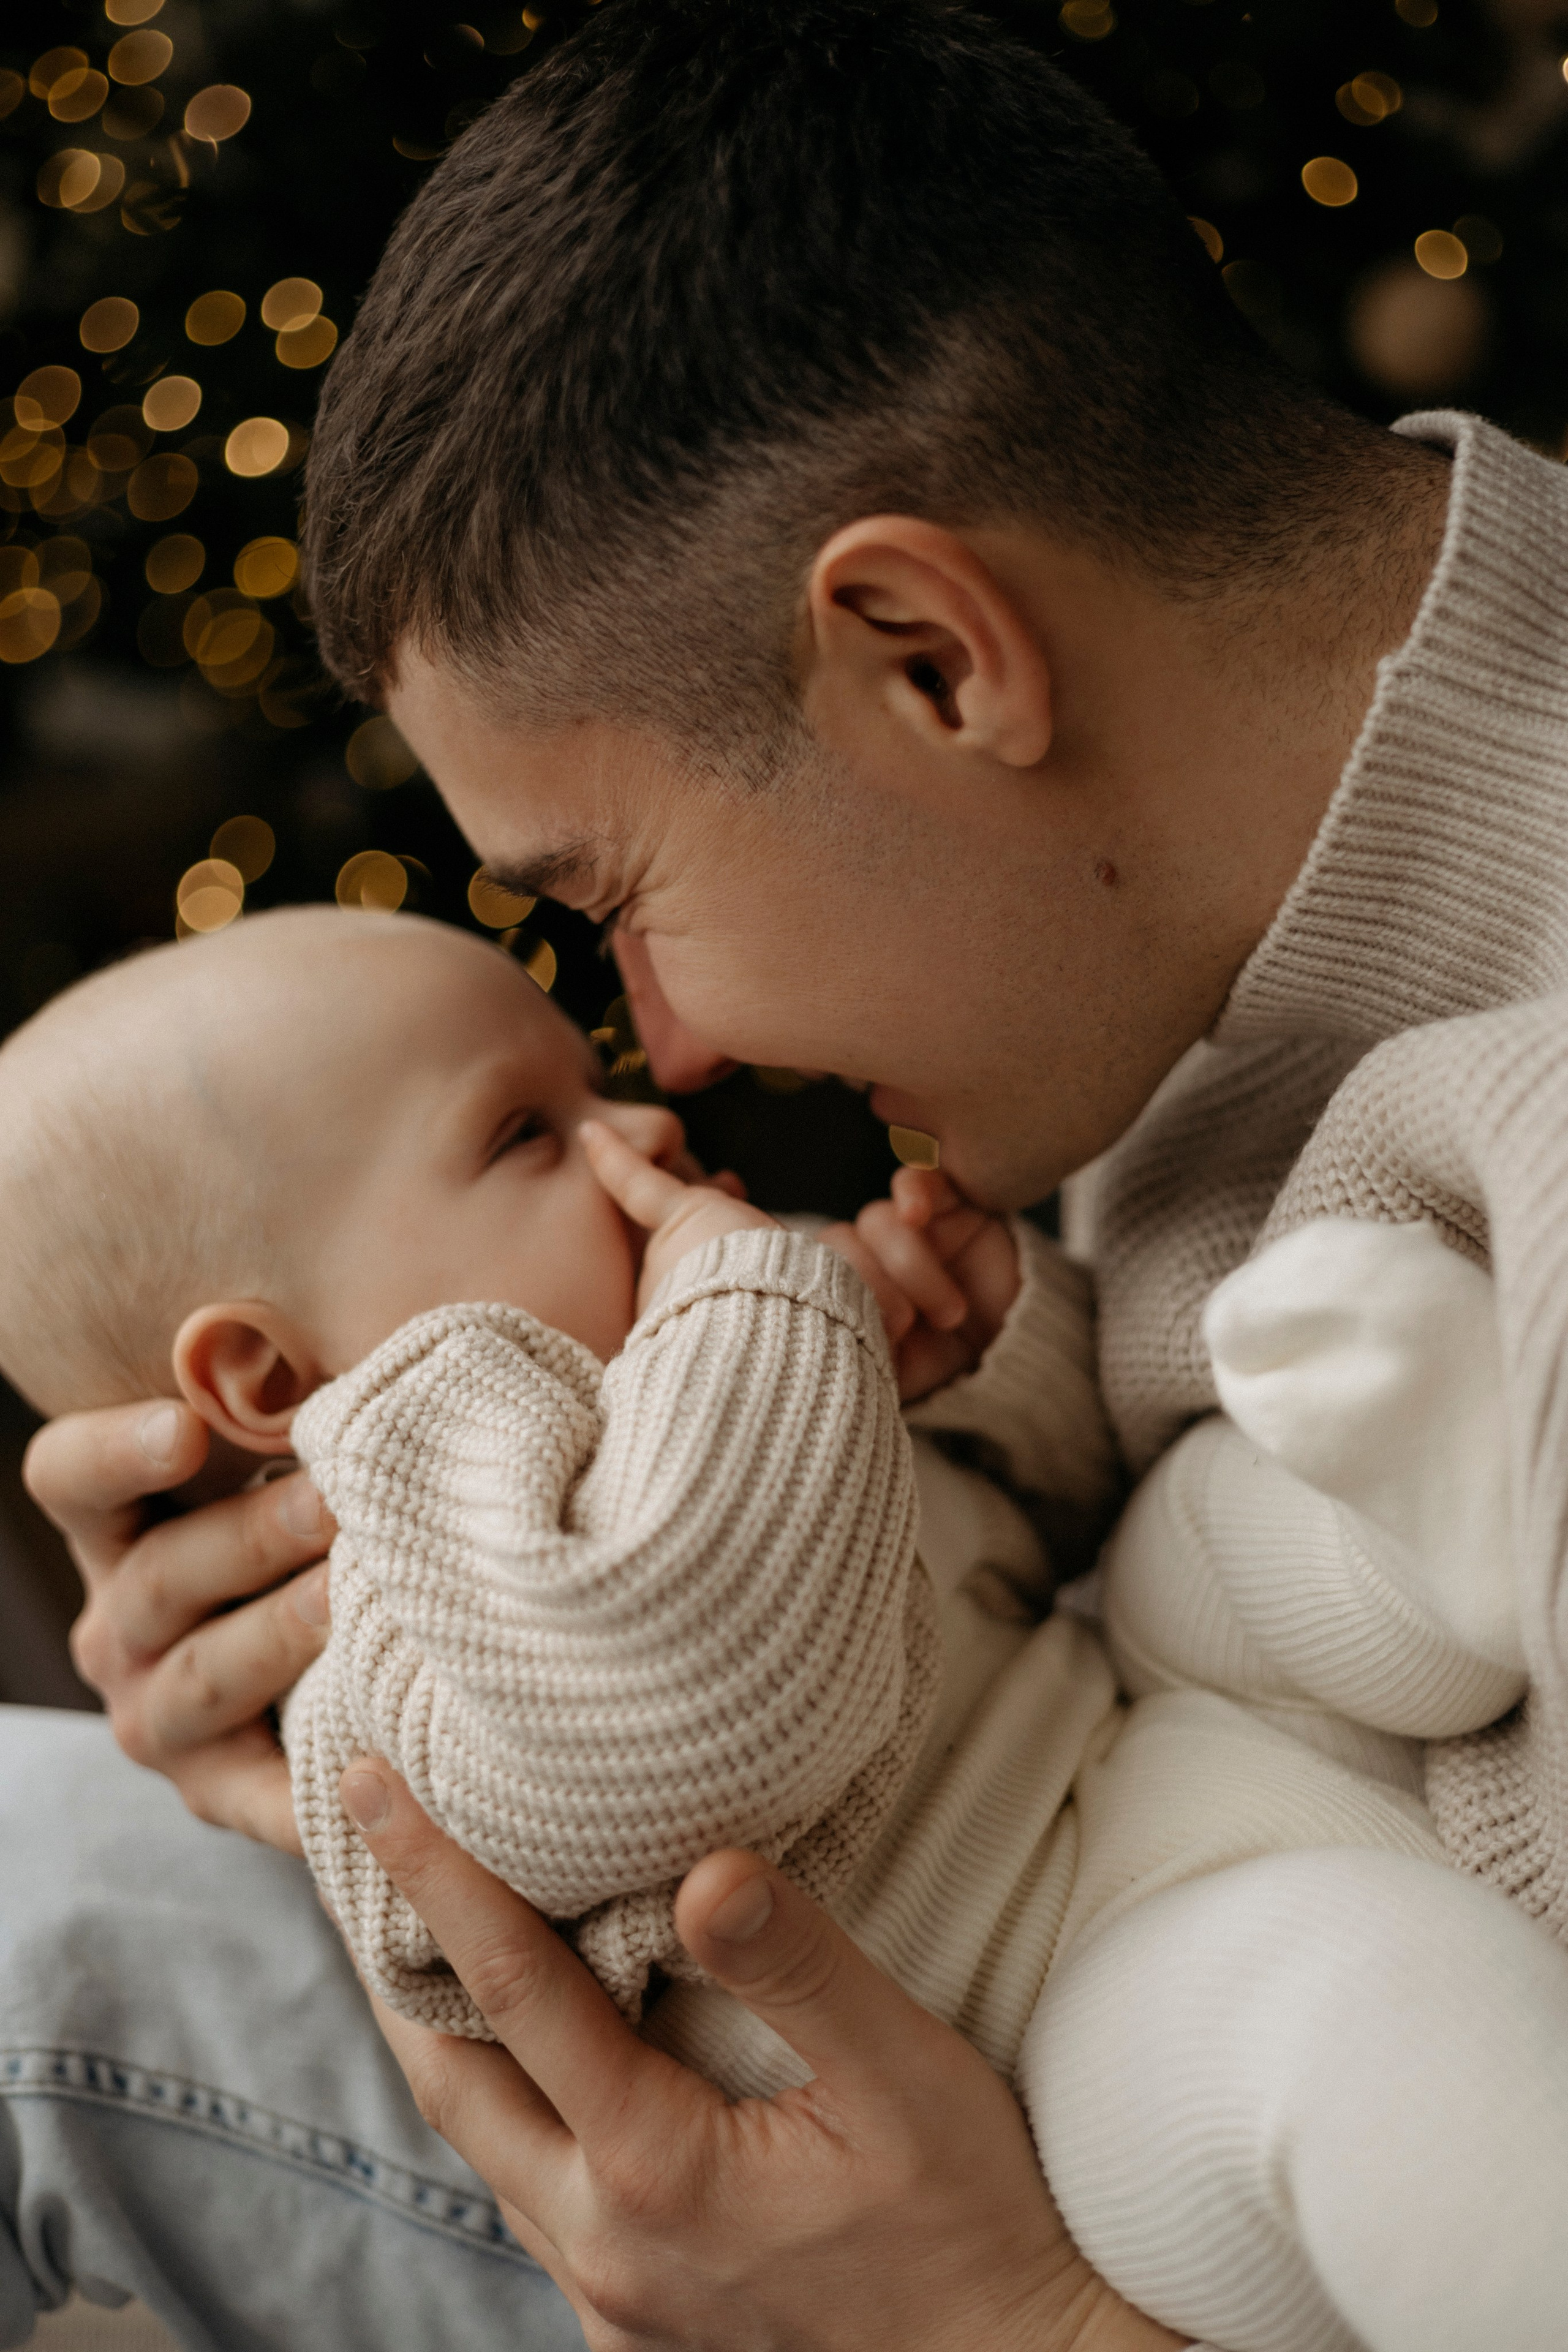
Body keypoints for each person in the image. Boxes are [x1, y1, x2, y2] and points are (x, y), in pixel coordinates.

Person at [11, 0, 1568, 2341]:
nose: (676, 1058)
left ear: (931, 659)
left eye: (614, 893)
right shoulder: (1141, 951)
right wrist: (309, 1707)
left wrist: (992, 2319)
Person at [7, 909, 1567, 2352]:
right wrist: (761, 1310)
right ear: (275, 1385)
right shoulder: (399, 1661)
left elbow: (1066, 1505)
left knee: (1217, 1509)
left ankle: (1441, 1535)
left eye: (595, 1085)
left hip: (1149, 1717)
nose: (645, 1131)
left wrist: (981, 1352)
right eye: (523, 1133)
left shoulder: (709, 1357)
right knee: (1345, 2022)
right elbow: (694, 1696)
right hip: (1058, 2008)